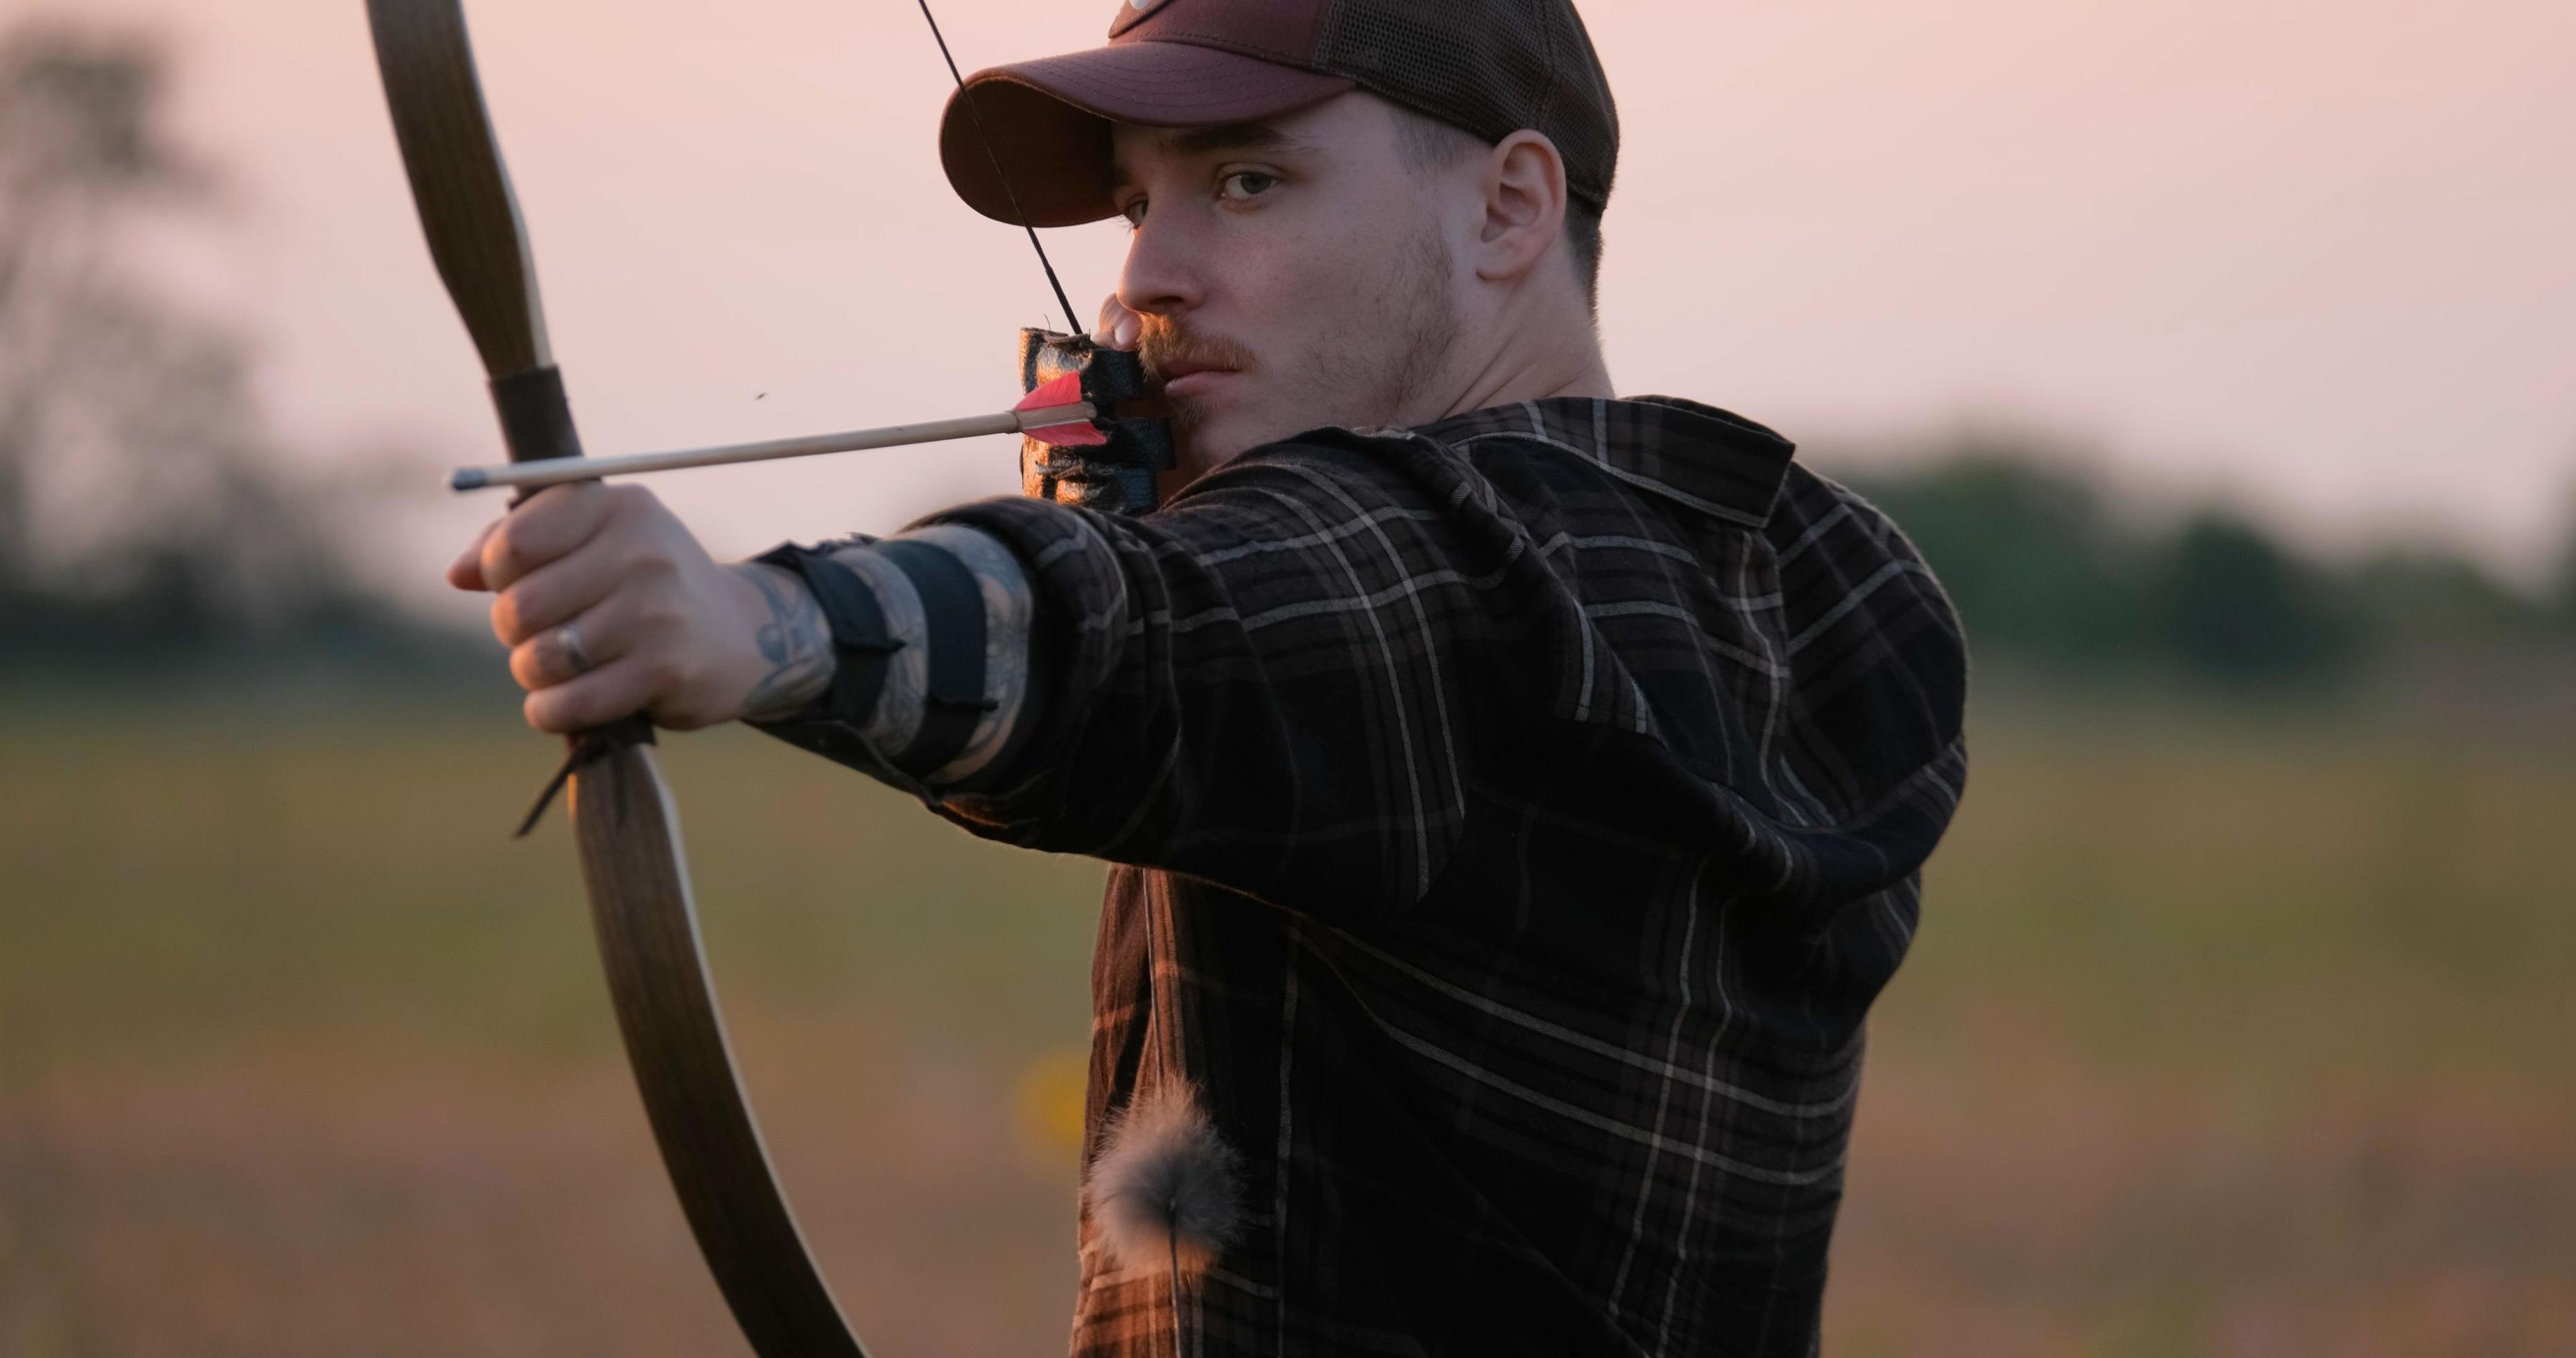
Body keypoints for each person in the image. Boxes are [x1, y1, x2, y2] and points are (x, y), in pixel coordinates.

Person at [445, 0, 1969, 1351]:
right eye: (1132, 203)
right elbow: (1231, 615)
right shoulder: (1728, 582)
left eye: (1247, 179)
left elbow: (1164, 628)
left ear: (1508, 209)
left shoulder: (1469, 582)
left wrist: (746, 621)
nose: (1151, 277)